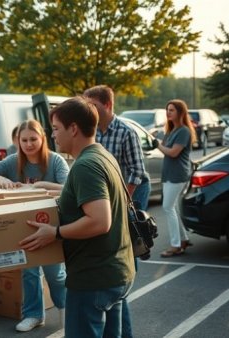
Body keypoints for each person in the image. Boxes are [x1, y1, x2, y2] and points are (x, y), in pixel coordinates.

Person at [20, 97, 135, 338]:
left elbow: (99, 220)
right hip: (116, 271)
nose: (53, 136)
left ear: (73, 129)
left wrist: (55, 232)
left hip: (93, 278)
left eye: (56, 129)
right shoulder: (102, 155)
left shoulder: (85, 166)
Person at [0, 119, 67, 332]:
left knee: (56, 274)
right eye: (24, 140)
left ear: (42, 138)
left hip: (50, 224)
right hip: (24, 225)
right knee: (29, 272)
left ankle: (66, 310)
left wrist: (40, 185)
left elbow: (67, 188)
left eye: (33, 139)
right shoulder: (14, 161)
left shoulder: (55, 161)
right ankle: (33, 314)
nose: (28, 144)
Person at [84, 84, 150, 338]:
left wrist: (121, 200)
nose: (90, 110)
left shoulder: (125, 131)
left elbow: (137, 171)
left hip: (126, 201)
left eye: (95, 106)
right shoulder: (91, 132)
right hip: (103, 204)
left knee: (121, 273)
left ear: (108, 106)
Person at [152, 99, 196, 258]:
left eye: (172, 110)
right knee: (172, 208)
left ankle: (176, 245)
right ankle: (183, 239)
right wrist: (156, 139)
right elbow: (165, 148)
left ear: (180, 112)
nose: (168, 112)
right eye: (167, 110)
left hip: (178, 175)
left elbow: (173, 153)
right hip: (169, 174)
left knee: (167, 207)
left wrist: (157, 144)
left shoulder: (184, 131)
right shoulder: (171, 130)